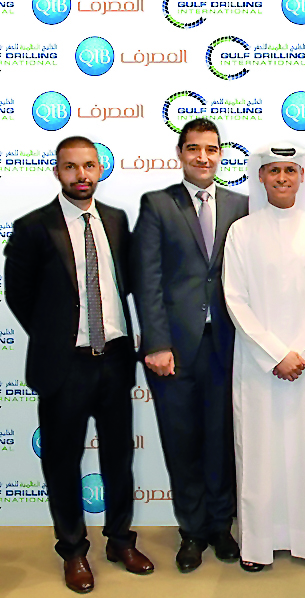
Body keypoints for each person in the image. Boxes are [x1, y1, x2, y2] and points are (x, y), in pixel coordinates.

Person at [4, 137, 153, 593]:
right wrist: (54, 336)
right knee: (63, 463)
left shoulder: (116, 219)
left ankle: (120, 540)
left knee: (118, 459)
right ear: (56, 171)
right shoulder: (33, 227)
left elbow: (126, 284)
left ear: (100, 168)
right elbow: (19, 295)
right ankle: (73, 550)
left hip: (114, 360)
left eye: (88, 165)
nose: (81, 175)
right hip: (63, 367)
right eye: (71, 167)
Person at [132, 118, 248, 571]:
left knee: (222, 439)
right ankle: (192, 532)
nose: (204, 157)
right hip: (174, 351)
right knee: (182, 442)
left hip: (226, 345)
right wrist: (157, 343)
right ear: (180, 153)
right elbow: (148, 278)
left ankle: (222, 526)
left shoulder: (241, 205)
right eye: (195, 149)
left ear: (221, 155)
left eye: (212, 149)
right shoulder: (159, 204)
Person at [223, 142, 305, 571]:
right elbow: (235, 298)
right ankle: (258, 547)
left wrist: (301, 354)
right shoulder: (242, 232)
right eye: (274, 171)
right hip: (259, 366)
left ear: (302, 176)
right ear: (261, 177)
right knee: (259, 453)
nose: (283, 178)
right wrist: (276, 353)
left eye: (290, 170)